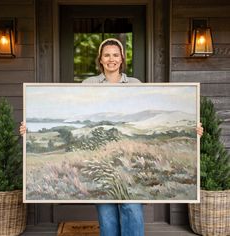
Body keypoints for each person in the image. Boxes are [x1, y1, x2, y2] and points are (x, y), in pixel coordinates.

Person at [20, 38, 204, 236]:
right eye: (107, 55)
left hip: (127, 160)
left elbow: (146, 118)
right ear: (100, 59)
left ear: (122, 58)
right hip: (98, 160)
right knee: (106, 215)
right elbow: (75, 112)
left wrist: (191, 131)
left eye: (115, 55)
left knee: (131, 209)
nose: (111, 59)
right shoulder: (89, 84)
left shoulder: (135, 84)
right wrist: (29, 129)